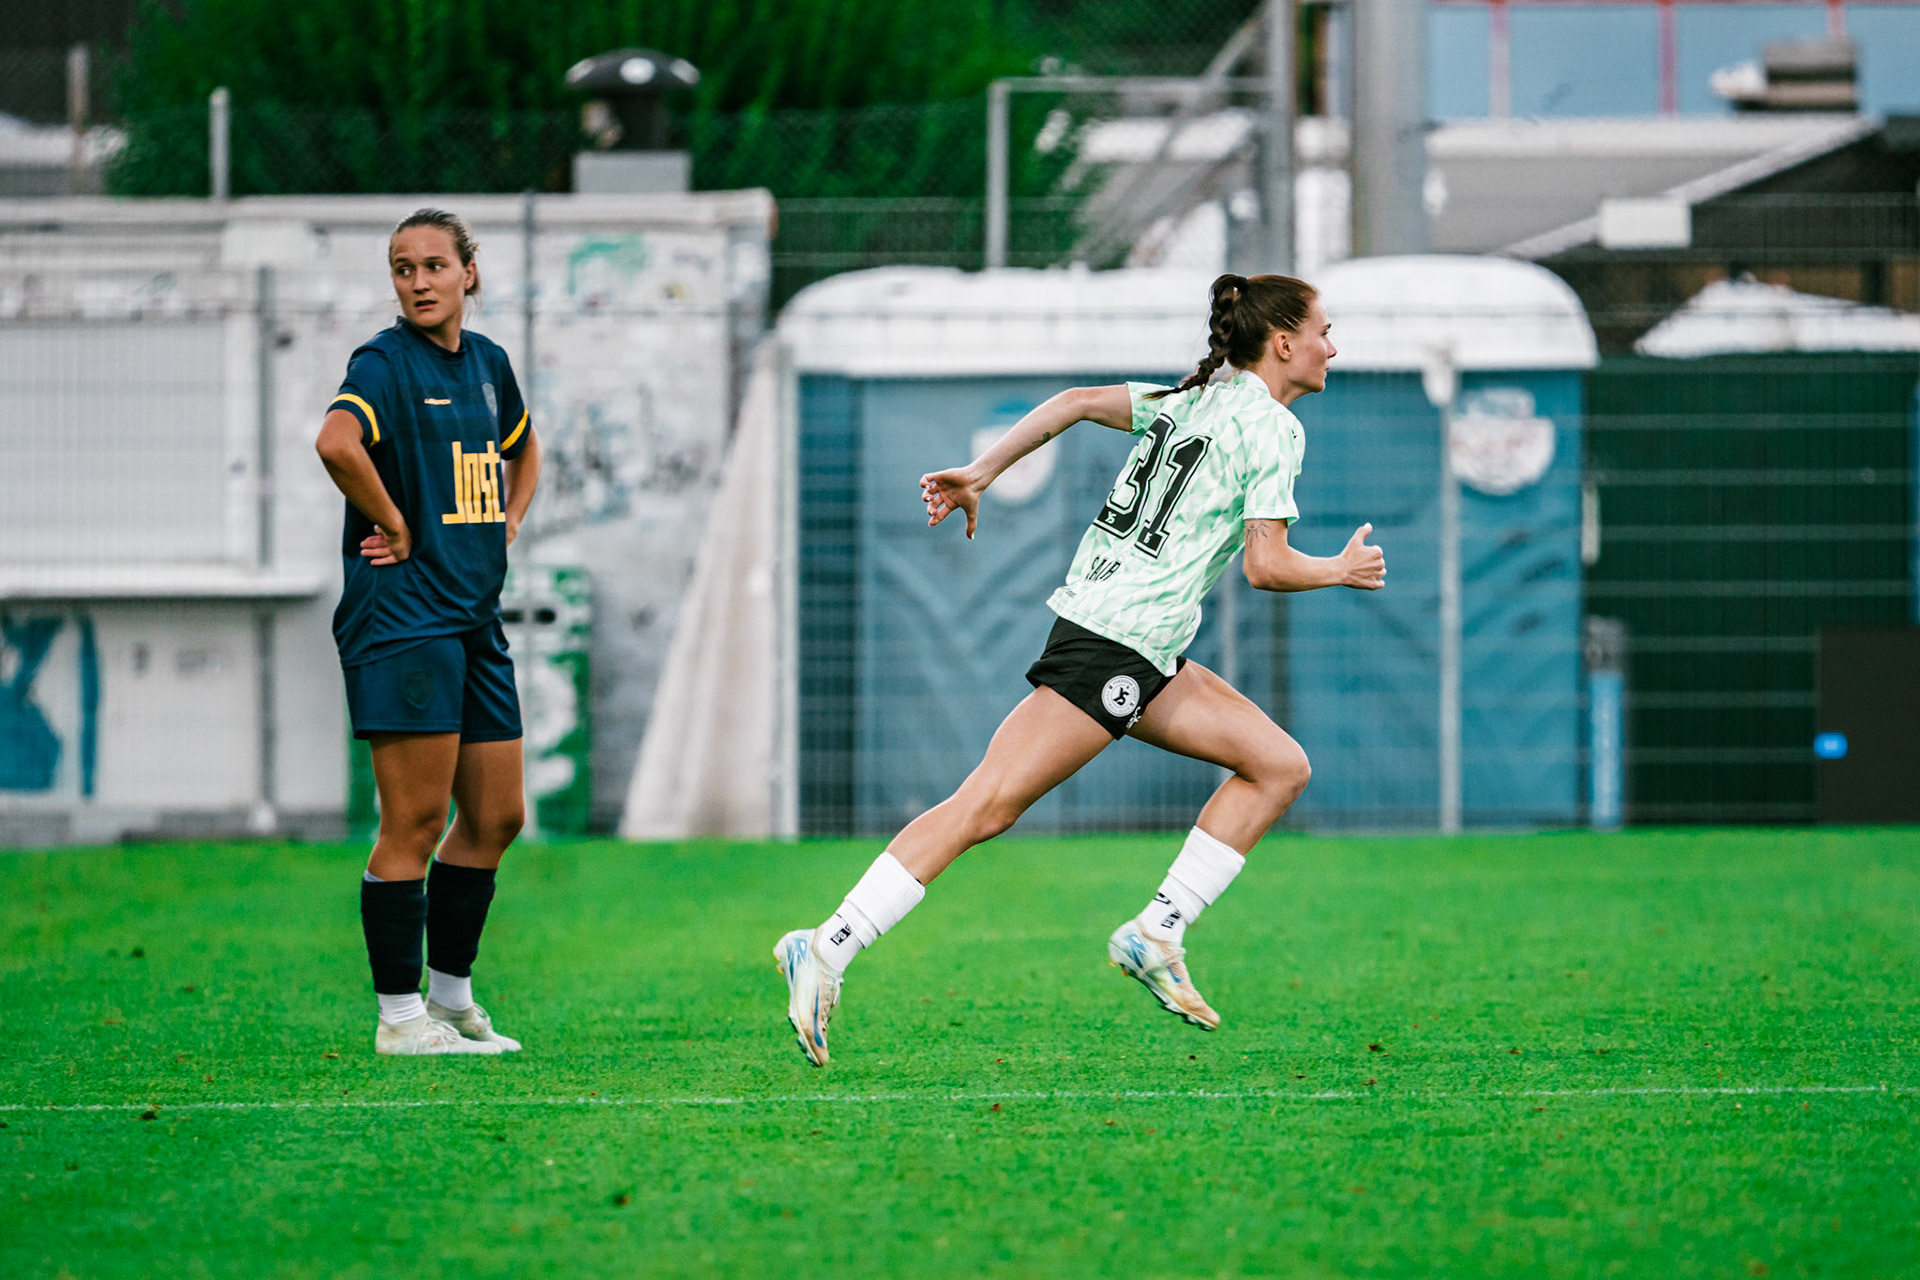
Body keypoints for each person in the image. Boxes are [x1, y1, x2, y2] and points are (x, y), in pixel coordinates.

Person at [775, 272, 1384, 1067]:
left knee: (1277, 765)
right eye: (1324, 331)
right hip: (1112, 646)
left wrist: (982, 470)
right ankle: (827, 945)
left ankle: (1157, 932)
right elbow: (1265, 568)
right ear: (1282, 344)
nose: (1332, 346)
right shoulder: (1272, 427)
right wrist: (1338, 569)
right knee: (984, 807)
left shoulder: (1188, 400)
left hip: (1141, 647)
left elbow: (1071, 402)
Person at [314, 208, 542, 1056]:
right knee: (413, 821)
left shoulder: (488, 365)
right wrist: (393, 522)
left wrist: (511, 518)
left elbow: (526, 449)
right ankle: (400, 1019)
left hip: (474, 619)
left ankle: (449, 1001)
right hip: (405, 618)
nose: (418, 281)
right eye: (403, 268)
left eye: (434, 266)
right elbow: (337, 442)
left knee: (496, 816)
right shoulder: (383, 361)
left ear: (468, 275)